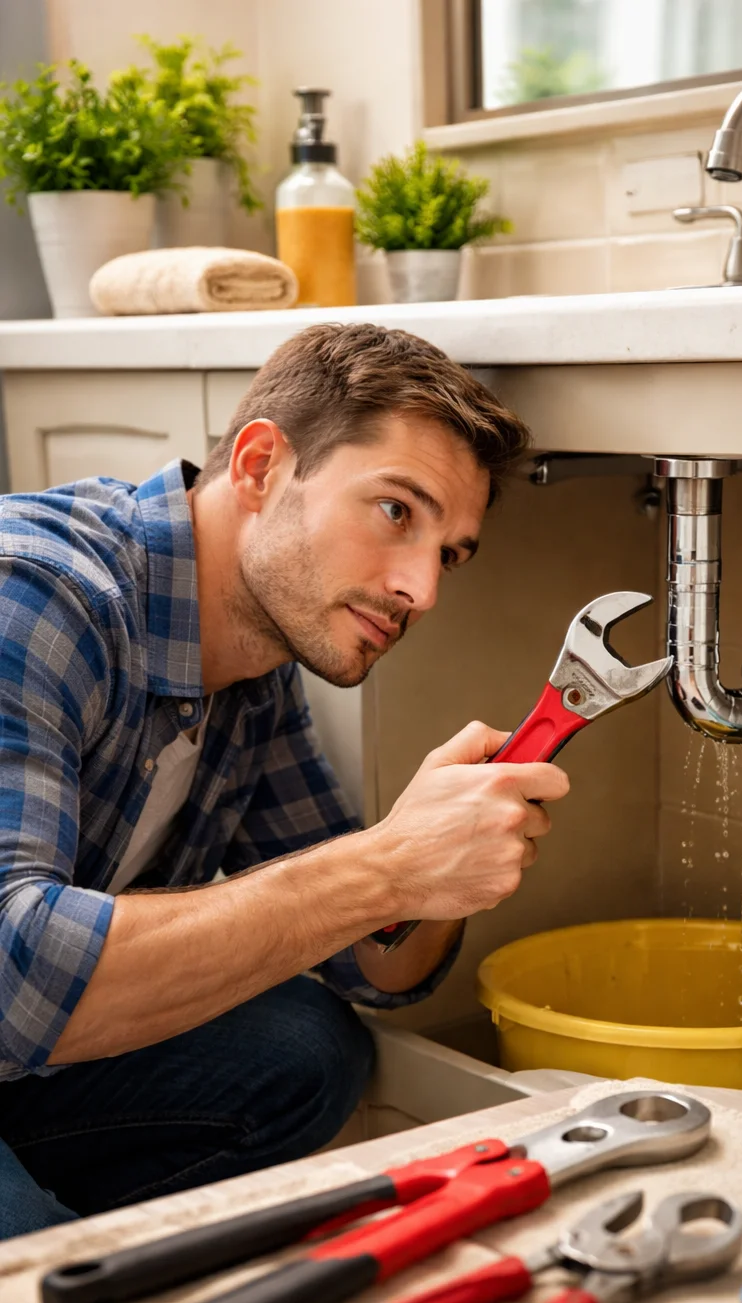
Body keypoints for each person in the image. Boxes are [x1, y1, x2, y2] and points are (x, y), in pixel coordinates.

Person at [0, 322, 570, 1240]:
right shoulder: (34, 598)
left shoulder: (255, 661)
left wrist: (440, 862)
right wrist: (386, 866)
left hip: (23, 1060)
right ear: (262, 465)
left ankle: (82, 1246)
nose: (422, 588)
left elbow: (372, 965)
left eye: (450, 553)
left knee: (304, 1048)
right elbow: (8, 969)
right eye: (395, 510)